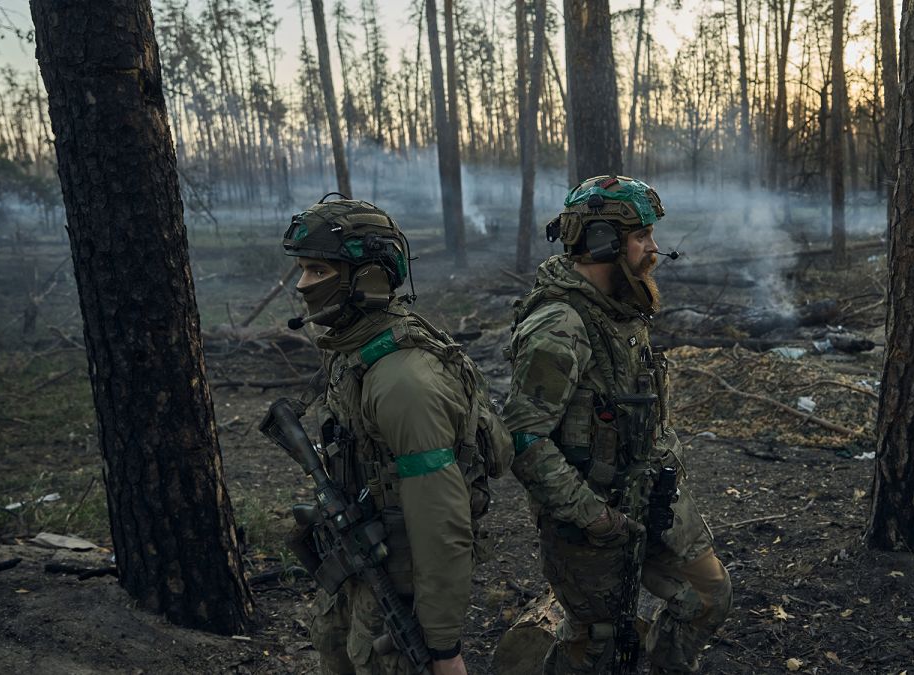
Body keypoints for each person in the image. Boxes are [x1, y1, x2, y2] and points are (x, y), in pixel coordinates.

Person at [502, 176, 732, 673]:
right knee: (596, 647)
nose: (653, 248)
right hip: (591, 525)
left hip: (653, 503)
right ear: (604, 241)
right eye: (641, 235)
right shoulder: (560, 324)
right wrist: (592, 515)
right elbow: (524, 439)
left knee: (708, 595)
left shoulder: (620, 308)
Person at [282, 196, 500, 675]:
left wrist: (444, 649)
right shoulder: (356, 349)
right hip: (358, 574)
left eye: (317, 271)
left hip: (396, 592)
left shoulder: (403, 380)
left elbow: (441, 520)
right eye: (302, 270)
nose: (302, 285)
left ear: (369, 278)